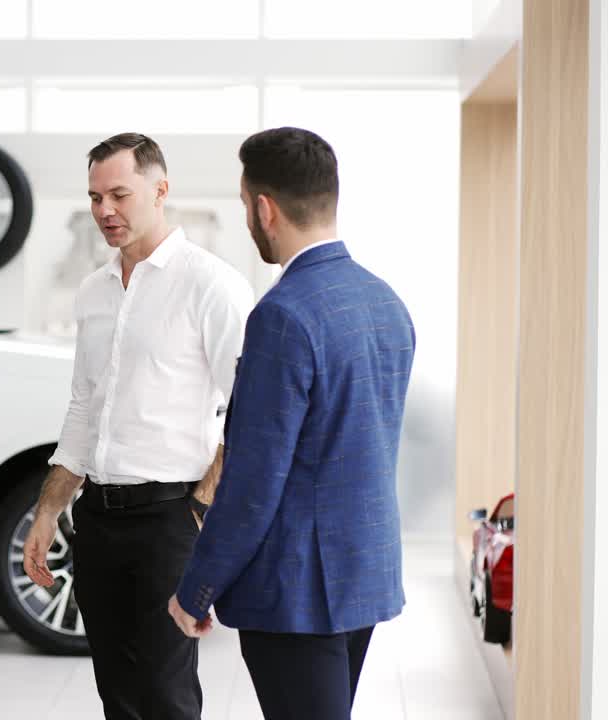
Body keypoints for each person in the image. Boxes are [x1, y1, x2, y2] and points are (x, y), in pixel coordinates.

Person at [168, 127, 416, 720]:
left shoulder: (282, 316)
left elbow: (254, 481)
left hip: (298, 588)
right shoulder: (385, 302)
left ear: (263, 208)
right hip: (362, 569)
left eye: (244, 206)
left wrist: (197, 588)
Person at [23, 132, 254, 720]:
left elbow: (252, 411)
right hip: (97, 520)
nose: (105, 211)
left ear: (160, 190)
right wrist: (49, 509)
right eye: (96, 197)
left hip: (170, 521)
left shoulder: (212, 285)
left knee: (167, 695)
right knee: (117, 694)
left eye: (120, 195)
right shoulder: (92, 293)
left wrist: (199, 509)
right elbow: (83, 408)